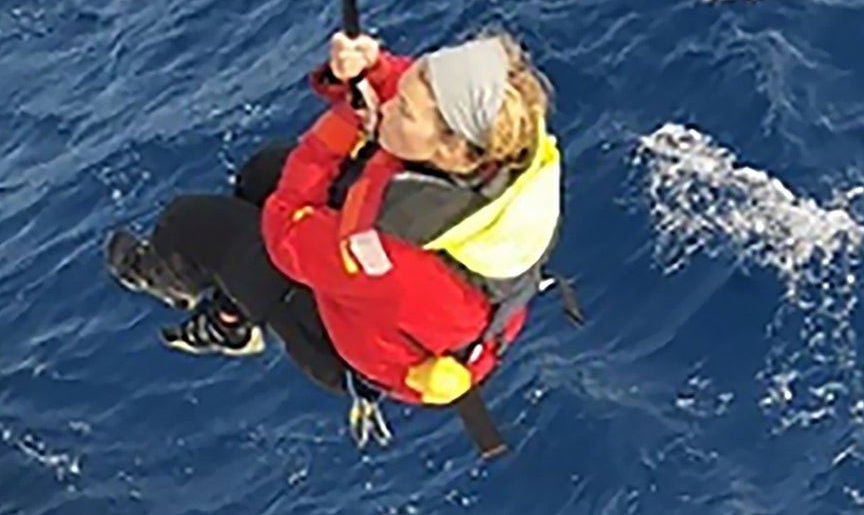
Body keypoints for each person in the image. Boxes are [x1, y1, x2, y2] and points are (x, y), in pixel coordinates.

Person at [106, 28, 573, 449]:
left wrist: (345, 124)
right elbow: (420, 90)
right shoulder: (508, 137)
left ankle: (192, 301)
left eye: (401, 110)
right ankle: (233, 309)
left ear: (451, 149)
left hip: (341, 342)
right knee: (261, 173)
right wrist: (373, 69)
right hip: (408, 304)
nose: (388, 106)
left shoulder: (382, 252)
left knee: (193, 225)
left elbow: (285, 228)